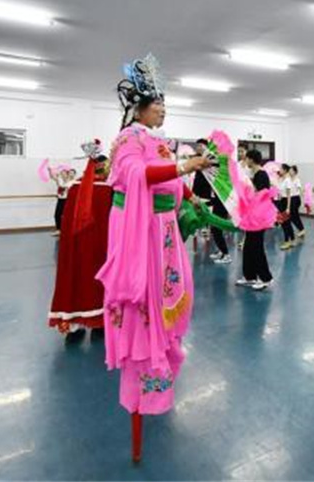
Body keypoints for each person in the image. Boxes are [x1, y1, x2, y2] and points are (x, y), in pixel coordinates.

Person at [98, 54, 212, 417]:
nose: (163, 110)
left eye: (165, 104)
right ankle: (144, 373)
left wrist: (191, 192)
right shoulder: (129, 137)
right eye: (158, 105)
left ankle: (163, 351)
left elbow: (168, 177)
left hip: (163, 228)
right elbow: (134, 173)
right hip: (143, 228)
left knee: (165, 293)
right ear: (140, 109)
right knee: (144, 298)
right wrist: (184, 165)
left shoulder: (155, 138)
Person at [49, 153, 112, 337]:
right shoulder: (108, 189)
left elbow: (67, 221)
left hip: (76, 246)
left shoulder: (76, 186)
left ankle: (74, 325)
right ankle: (99, 323)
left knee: (76, 278)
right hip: (101, 246)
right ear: (103, 167)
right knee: (99, 281)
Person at [235, 149, 274, 290]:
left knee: (256, 247)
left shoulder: (261, 175)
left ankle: (266, 278)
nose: (246, 161)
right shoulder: (256, 175)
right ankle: (250, 276)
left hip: (259, 218)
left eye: (247, 159)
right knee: (249, 247)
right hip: (253, 217)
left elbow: (260, 196)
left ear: (251, 159)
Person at [192, 138, 232, 264]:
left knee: (216, 227)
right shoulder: (207, 163)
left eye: (201, 146)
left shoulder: (219, 163)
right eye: (198, 146)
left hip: (221, 199)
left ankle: (226, 254)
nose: (199, 148)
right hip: (214, 198)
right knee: (215, 228)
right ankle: (222, 251)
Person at [51, 166, 77, 236]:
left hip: (68, 200)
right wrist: (51, 170)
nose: (70, 174)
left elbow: (63, 186)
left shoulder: (73, 182)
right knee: (57, 215)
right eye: (70, 173)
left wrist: (60, 182)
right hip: (60, 199)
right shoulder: (63, 180)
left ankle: (67, 230)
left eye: (72, 173)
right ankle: (59, 230)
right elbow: (54, 178)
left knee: (66, 216)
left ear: (74, 174)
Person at [276, 163, 296, 250]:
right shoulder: (281, 179)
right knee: (285, 222)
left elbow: (288, 195)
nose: (279, 170)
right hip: (281, 201)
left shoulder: (287, 180)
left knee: (285, 223)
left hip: (286, 202)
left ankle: (287, 241)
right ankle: (292, 239)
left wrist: (288, 207)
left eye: (280, 169)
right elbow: (280, 192)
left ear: (284, 170)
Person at [288, 165, 306, 241]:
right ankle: (301, 229)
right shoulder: (288, 179)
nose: (290, 171)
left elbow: (300, 188)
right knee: (292, 216)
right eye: (289, 170)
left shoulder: (297, 180)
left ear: (295, 172)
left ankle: (302, 229)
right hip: (291, 199)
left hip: (296, 199)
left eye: (291, 170)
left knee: (295, 215)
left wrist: (302, 193)